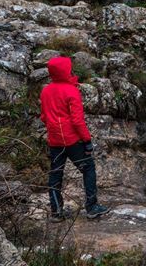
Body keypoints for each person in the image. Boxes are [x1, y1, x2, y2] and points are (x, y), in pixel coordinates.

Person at [40, 56, 109, 222]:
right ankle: (92, 207)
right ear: (65, 70)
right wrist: (86, 141)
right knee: (88, 168)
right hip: (72, 141)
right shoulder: (72, 91)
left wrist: (54, 126)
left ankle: (56, 212)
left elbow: (43, 117)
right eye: (68, 68)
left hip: (55, 140)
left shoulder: (45, 91)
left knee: (55, 175)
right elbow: (77, 121)